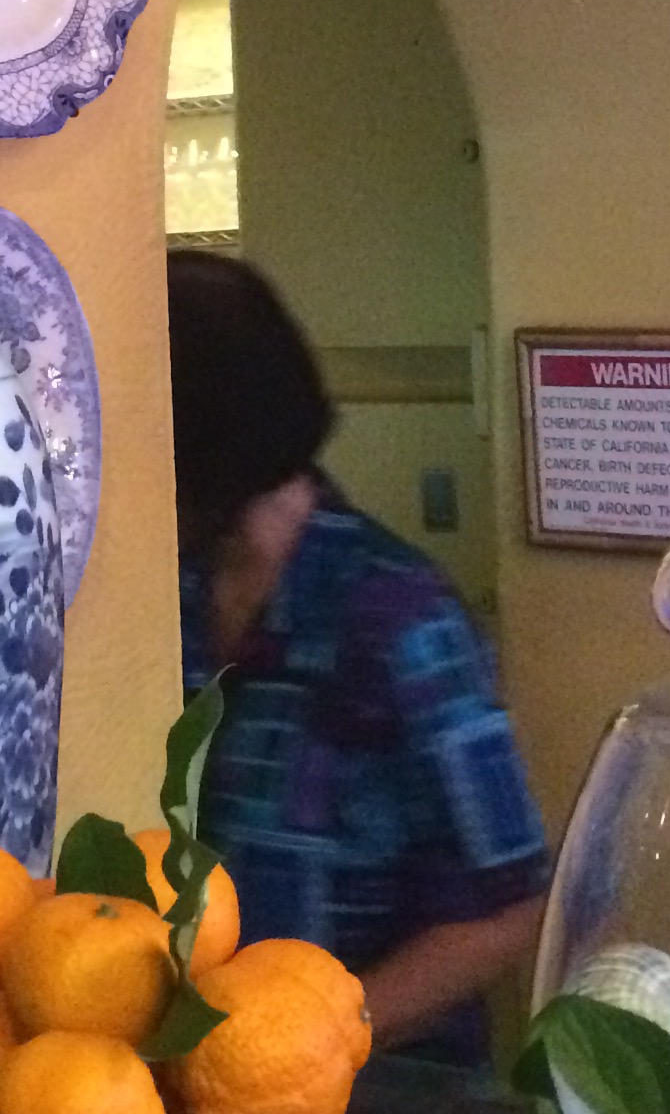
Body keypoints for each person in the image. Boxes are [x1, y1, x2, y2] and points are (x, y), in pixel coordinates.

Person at [167, 250, 549, 1068]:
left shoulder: (397, 618)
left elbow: (507, 909)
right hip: (191, 1080)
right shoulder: (174, 596)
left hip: (383, 1101)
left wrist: (320, 1042)